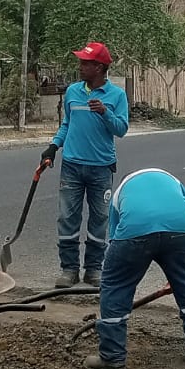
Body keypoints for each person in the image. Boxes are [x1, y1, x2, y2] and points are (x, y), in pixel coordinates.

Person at [84, 168, 185, 369]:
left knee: (115, 285)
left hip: (135, 232)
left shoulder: (120, 193)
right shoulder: (174, 183)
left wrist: (122, 278)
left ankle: (112, 357)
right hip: (179, 231)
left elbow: (116, 245)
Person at [43, 41, 130, 287]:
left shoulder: (117, 95)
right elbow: (67, 124)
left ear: (99, 67)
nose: (80, 66)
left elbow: (121, 129)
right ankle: (69, 269)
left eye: (85, 63)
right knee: (67, 218)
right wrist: (53, 147)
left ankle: (93, 269)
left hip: (101, 167)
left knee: (99, 219)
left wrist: (105, 112)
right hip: (71, 165)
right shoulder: (73, 92)